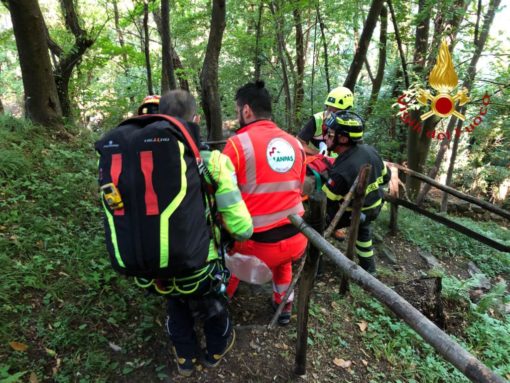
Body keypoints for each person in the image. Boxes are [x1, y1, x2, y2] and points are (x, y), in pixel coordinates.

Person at [157, 90, 253, 376]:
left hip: (157, 259)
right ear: (196, 120)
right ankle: (214, 351)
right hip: (202, 261)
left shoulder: (146, 162)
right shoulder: (213, 162)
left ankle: (185, 358)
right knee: (213, 305)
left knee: (176, 304)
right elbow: (240, 226)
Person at [222, 81, 307, 326]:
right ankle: (284, 304)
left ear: (246, 111)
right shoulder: (295, 144)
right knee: (283, 264)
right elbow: (298, 187)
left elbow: (222, 194)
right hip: (296, 237)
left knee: (230, 253)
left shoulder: (237, 145)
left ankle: (222, 298)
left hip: (255, 247)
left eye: (237, 110)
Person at [321, 110, 390, 274]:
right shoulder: (371, 151)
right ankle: (370, 270)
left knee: (314, 223)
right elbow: (386, 177)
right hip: (374, 207)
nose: (325, 138)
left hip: (353, 212)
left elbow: (327, 198)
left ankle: (316, 267)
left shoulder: (342, 170)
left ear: (343, 138)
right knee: (363, 234)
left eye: (330, 135)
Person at [297, 86, 354, 156]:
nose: (330, 113)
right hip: (318, 161)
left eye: (335, 110)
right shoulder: (316, 120)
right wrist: (320, 155)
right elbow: (299, 143)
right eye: (329, 108)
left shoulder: (350, 125)